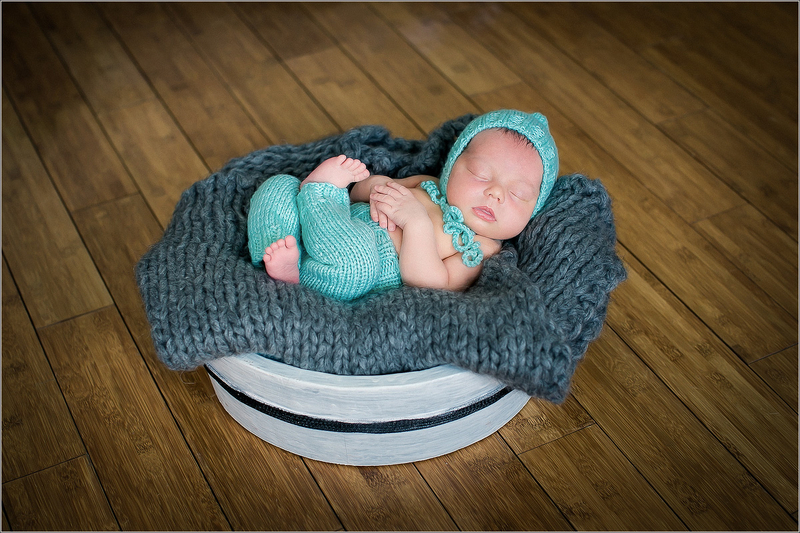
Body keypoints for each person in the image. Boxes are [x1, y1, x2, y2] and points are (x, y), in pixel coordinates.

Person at [247, 109, 558, 300]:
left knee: (354, 266)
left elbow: (433, 284)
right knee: (280, 186)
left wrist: (416, 223)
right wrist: (377, 189)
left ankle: (301, 247)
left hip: (361, 264)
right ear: (452, 166)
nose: (495, 193)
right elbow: (357, 194)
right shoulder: (429, 184)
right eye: (480, 174)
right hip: (334, 222)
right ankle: (272, 250)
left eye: (517, 194)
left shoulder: (481, 247)